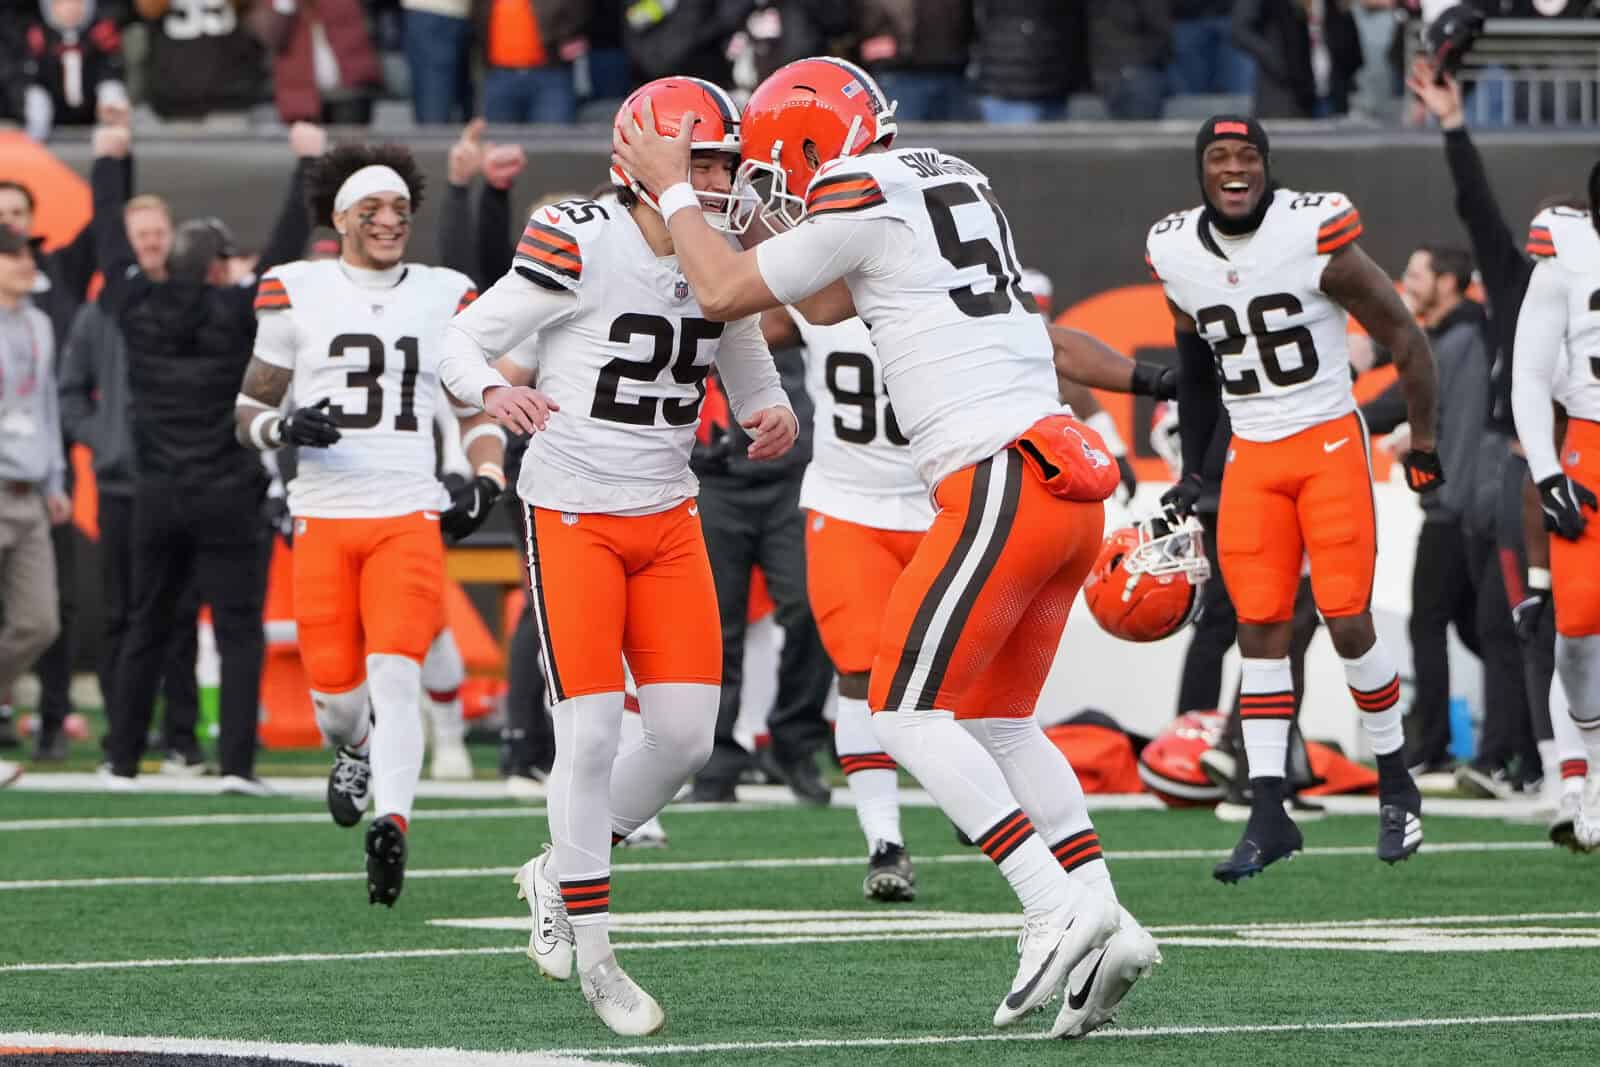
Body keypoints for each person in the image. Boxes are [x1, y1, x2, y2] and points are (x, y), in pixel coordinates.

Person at [613, 55, 1159, 1040]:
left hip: (995, 471)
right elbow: (824, 303)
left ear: (817, 147)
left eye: (781, 168)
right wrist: (755, 219)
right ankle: (1107, 916)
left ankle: (1049, 902)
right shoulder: (946, 176)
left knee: (902, 706)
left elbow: (728, 288)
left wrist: (667, 190)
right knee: (999, 720)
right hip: (1059, 478)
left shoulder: (860, 188)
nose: (772, 188)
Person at [440, 77, 795, 1037]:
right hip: (575, 512)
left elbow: (735, 341)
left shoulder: (712, 242)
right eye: (706, 159)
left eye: (725, 161)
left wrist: (771, 403)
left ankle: (559, 865)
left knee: (683, 737)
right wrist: (489, 394)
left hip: (668, 511)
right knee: (590, 734)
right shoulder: (580, 232)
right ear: (644, 159)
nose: (721, 178)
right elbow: (462, 337)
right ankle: (595, 950)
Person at [1147, 116, 1442, 881]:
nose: (1235, 166)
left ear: (1267, 168)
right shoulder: (1175, 251)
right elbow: (1196, 365)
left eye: (1249, 155)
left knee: (1346, 619)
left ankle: (1397, 783)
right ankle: (1268, 809)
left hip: (1327, 442)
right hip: (1251, 454)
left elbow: (1407, 338)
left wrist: (1426, 443)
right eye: (1220, 155)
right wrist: (1194, 473)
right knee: (1260, 631)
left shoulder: (1311, 230)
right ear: (1201, 172)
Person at [234, 142, 504, 906]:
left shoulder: (445, 292)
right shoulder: (297, 288)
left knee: (398, 670)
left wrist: (486, 476)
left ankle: (395, 822)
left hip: (406, 509)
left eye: (400, 211)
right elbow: (249, 409)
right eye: (373, 210)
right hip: (323, 512)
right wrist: (281, 433)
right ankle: (352, 747)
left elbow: (474, 404)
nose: (390, 221)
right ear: (340, 218)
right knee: (339, 700)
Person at [94, 119, 314, 796]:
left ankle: (122, 759)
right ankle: (237, 767)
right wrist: (305, 168)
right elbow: (280, 253)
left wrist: (111, 163)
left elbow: (108, 239)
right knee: (239, 630)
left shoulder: (134, 304)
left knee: (147, 626)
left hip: (157, 494)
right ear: (219, 267)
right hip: (225, 495)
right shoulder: (236, 309)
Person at [57, 192, 203, 771]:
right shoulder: (100, 313)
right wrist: (106, 437)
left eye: (157, 231)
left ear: (171, 236)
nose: (149, 241)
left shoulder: (191, 302)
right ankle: (124, 737)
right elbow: (69, 391)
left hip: (178, 481)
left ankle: (182, 739)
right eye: (138, 233)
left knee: (181, 616)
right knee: (123, 616)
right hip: (121, 486)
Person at [1509, 168, 1600, 850]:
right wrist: (1546, 474)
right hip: (1586, 447)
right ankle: (1586, 773)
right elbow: (1530, 376)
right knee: (1577, 624)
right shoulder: (1565, 251)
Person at [0, 223, 70, 787]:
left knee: (38, 622)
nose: (27, 263)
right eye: (15, 254)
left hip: (28, 495)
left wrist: (55, 480)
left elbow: (45, 404)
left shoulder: (41, 324)